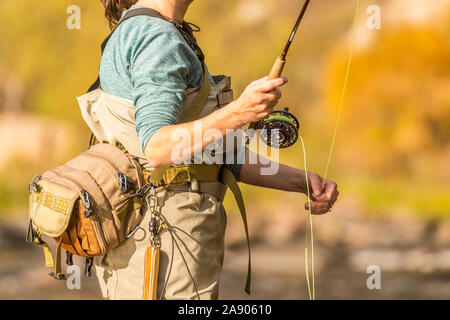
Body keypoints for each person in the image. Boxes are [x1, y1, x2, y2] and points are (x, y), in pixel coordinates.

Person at [92, 0, 339, 300]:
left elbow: (218, 156)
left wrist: (303, 181)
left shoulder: (156, 30)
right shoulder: (157, 37)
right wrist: (239, 112)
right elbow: (157, 146)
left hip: (161, 241)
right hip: (164, 245)